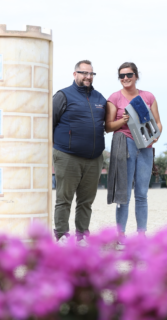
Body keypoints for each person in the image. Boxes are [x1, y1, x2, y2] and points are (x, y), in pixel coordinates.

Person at [106, 62, 162, 245]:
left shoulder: (148, 96)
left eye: (129, 74)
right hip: (125, 143)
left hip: (144, 145)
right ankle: (120, 235)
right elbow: (108, 126)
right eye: (121, 76)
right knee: (124, 193)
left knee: (142, 193)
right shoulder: (114, 98)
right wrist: (122, 120)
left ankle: (141, 235)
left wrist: (156, 136)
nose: (125, 78)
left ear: (136, 76)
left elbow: (158, 123)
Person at [52, 60, 106, 245]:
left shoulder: (100, 99)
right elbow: (49, 123)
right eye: (84, 73)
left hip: (94, 158)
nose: (88, 77)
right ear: (75, 74)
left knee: (86, 201)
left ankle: (82, 234)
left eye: (91, 74)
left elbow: (105, 125)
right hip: (67, 156)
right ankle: (61, 234)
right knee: (64, 198)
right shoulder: (63, 95)